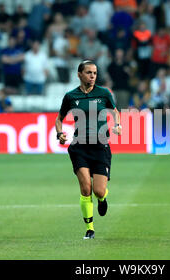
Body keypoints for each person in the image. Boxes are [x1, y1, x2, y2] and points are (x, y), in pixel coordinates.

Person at [55, 60, 121, 240]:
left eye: (95, 73)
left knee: (98, 190)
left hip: (100, 146)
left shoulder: (104, 93)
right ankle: (89, 229)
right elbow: (59, 118)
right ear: (79, 74)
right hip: (79, 147)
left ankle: (102, 198)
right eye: (89, 73)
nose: (92, 76)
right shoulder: (71, 96)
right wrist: (59, 133)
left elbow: (115, 111)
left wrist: (118, 125)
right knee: (85, 187)